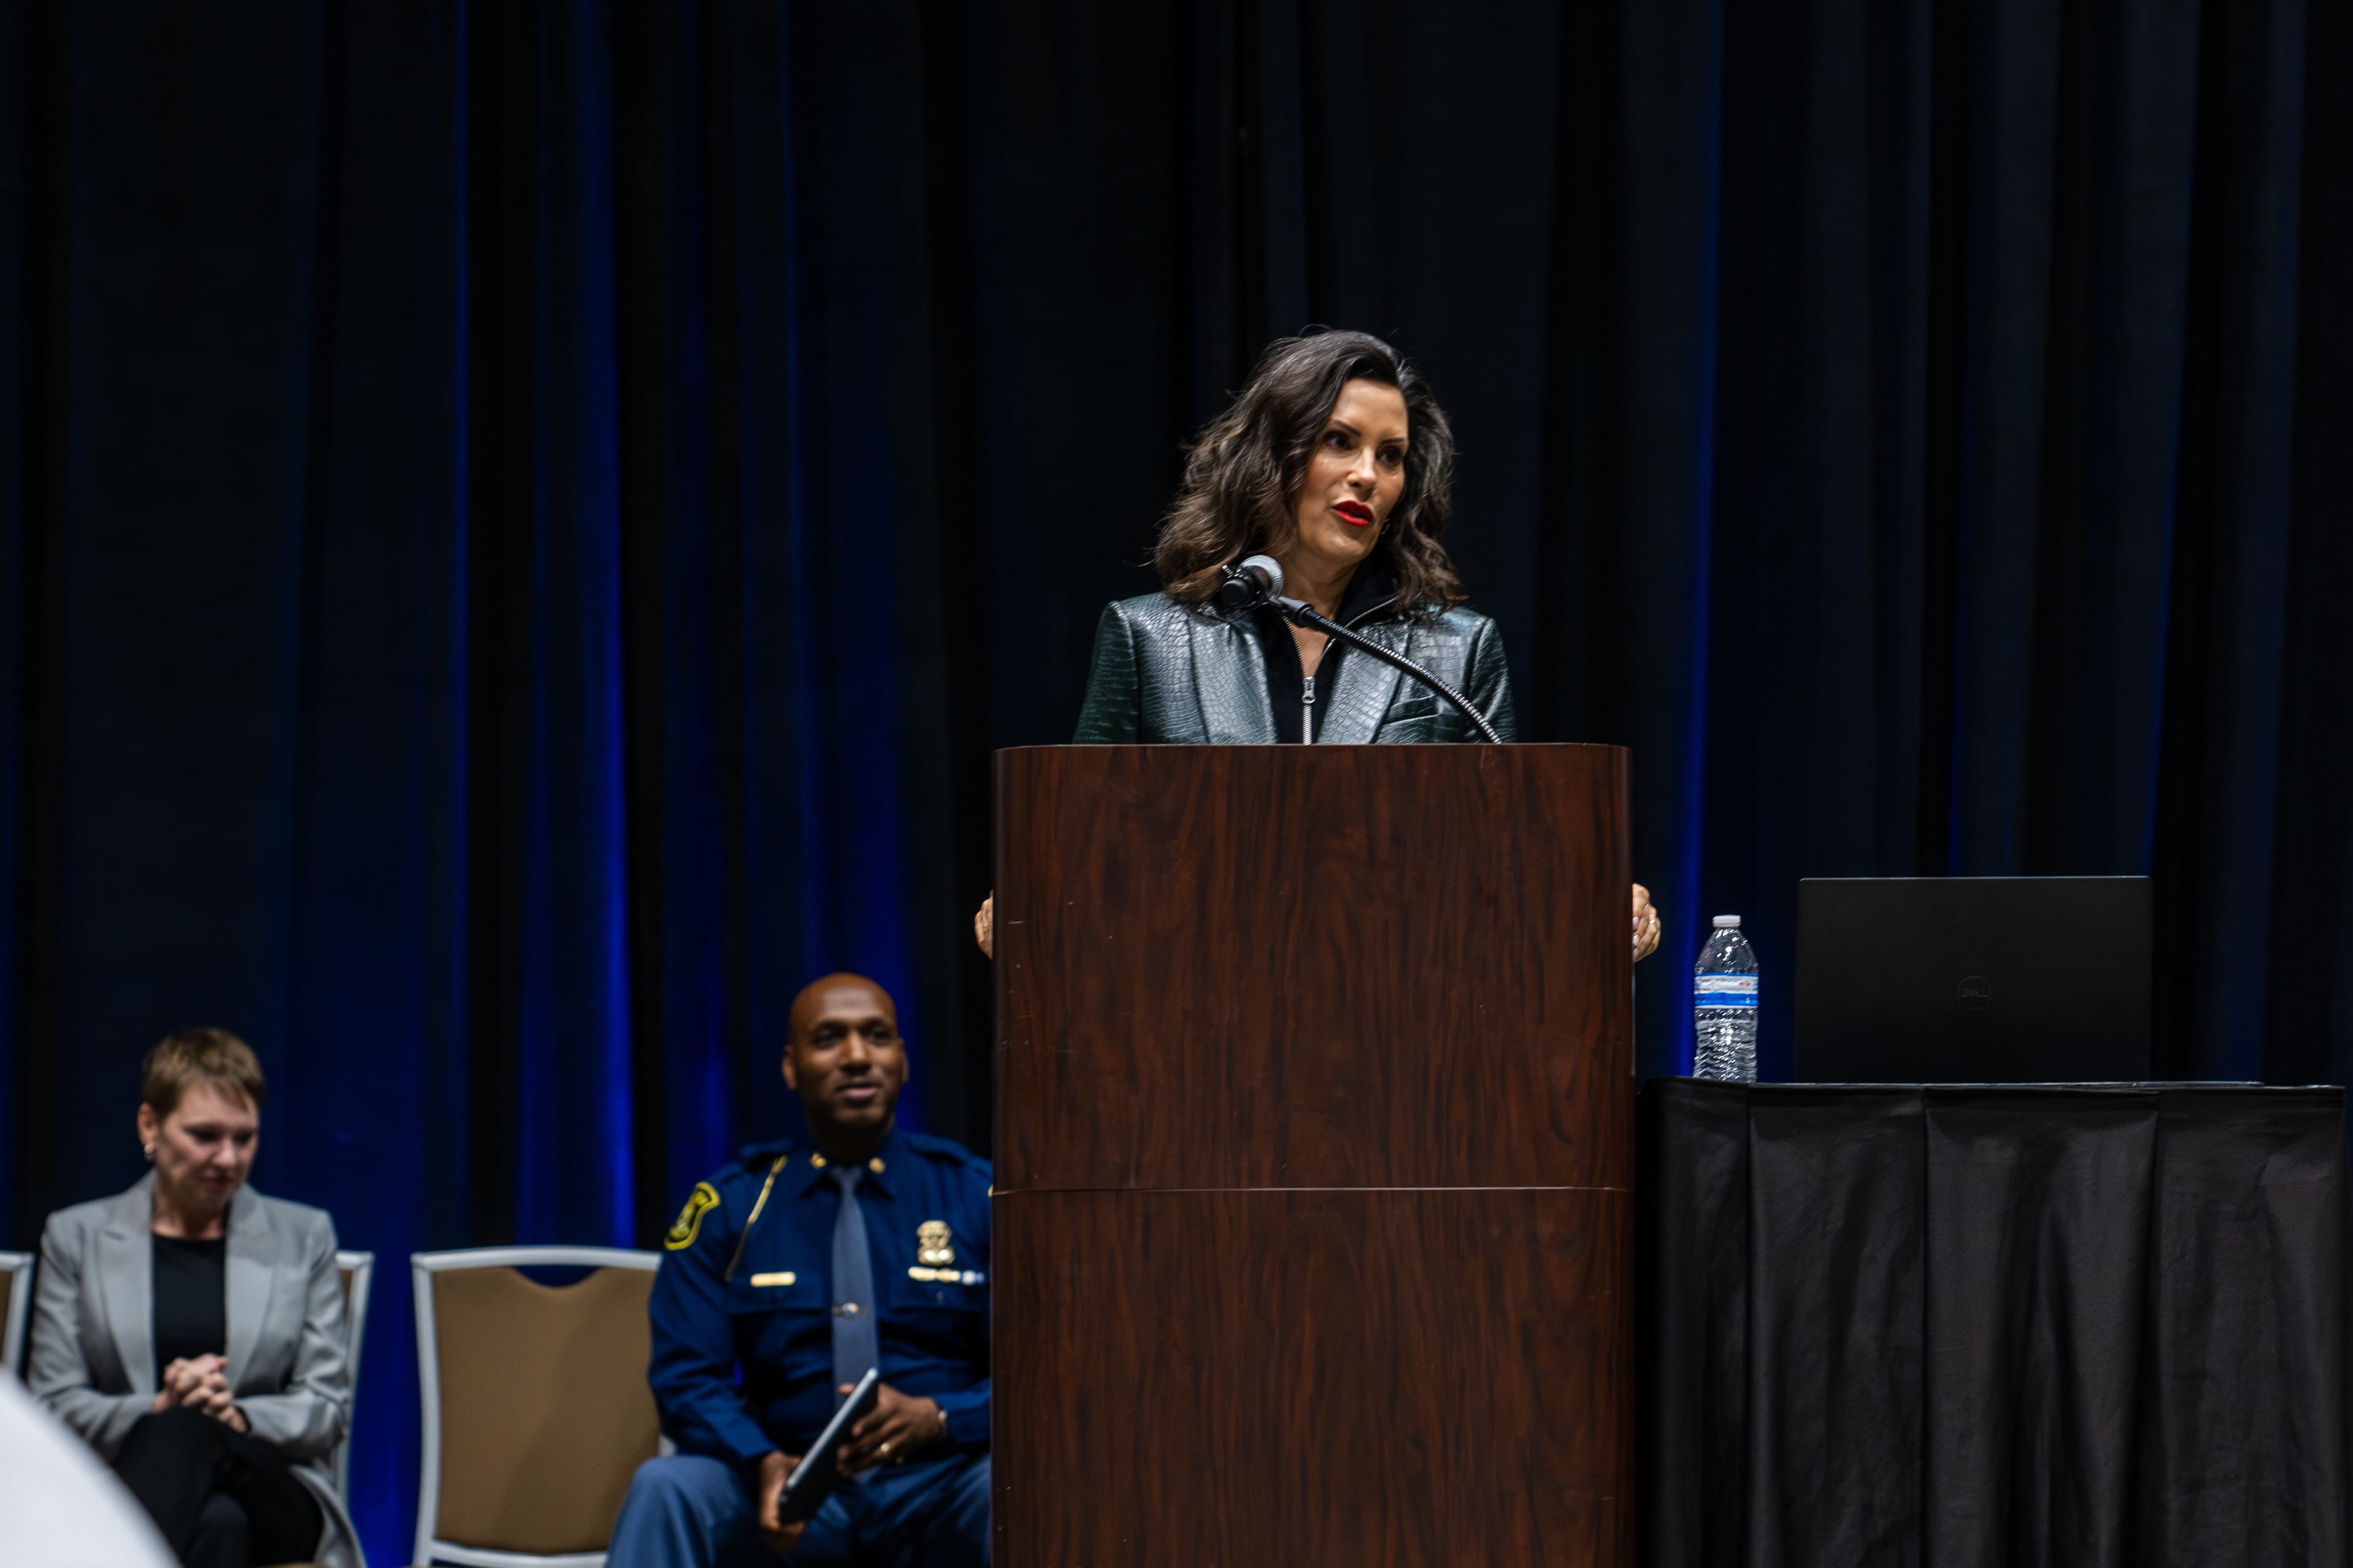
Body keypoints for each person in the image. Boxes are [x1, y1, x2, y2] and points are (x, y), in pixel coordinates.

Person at [976, 327, 1663, 962]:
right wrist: (1026, 902)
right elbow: (1084, 852)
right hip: (1195, 1010)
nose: (1367, 474)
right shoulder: (1149, 638)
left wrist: (1592, 902)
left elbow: (1511, 866)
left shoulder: (1456, 651)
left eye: (1390, 456)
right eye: (1339, 441)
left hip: (1399, 1012)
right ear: (1271, 454)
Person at [609, 974, 991, 1568]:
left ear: (903, 1059)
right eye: (828, 1038)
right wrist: (761, 1460)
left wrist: (942, 1419)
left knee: (1021, 1481)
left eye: (877, 1036)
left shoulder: (976, 1195)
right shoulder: (732, 1205)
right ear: (791, 1067)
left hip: (940, 1485)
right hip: (785, 1484)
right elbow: (686, 1375)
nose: (857, 1056)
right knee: (666, 1486)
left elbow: (1039, 1374)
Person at [27, 1028, 360, 1568]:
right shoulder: (77, 1236)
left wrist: (233, 1417)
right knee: (219, 1523)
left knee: (191, 1430)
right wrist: (159, 1408)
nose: (228, 1157)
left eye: (244, 1137)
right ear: (150, 1126)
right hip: (130, 1485)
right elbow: (54, 1407)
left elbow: (326, 1409)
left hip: (274, 1489)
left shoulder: (303, 1235)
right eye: (205, 1135)